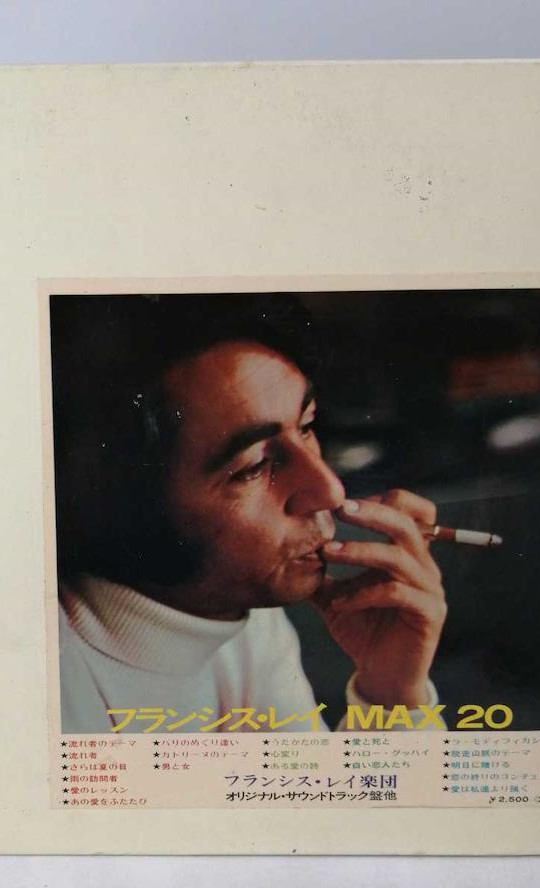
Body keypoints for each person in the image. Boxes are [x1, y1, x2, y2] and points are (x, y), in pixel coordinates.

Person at [52, 294, 447, 733]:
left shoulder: (243, 616)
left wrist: (391, 693)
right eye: (254, 465)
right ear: (131, 507)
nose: (330, 489)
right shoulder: (53, 689)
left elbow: (310, 780)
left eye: (307, 426)